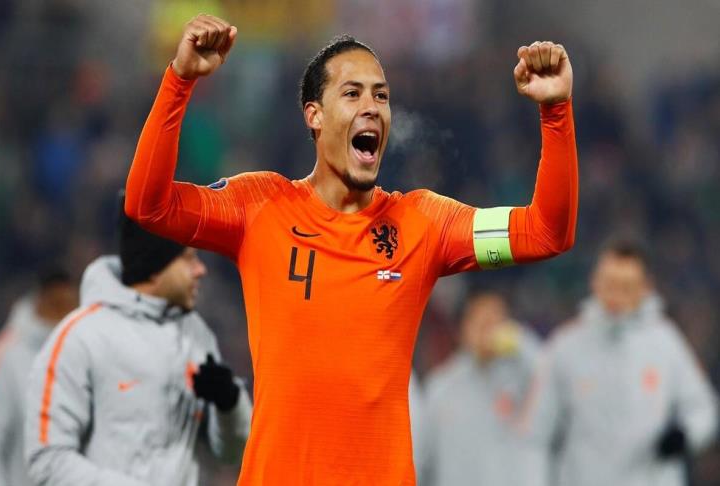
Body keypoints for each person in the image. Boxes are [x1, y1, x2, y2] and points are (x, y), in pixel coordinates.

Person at [124, 14, 578, 485]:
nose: (372, 107)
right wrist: (179, 81)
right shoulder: (260, 207)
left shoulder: (423, 224)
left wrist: (556, 112)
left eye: (381, 96)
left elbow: (546, 232)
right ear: (314, 115)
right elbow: (148, 206)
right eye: (352, 93)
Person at [24, 202, 252, 486]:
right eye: (189, 259)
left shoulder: (196, 335)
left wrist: (229, 405)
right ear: (155, 268)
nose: (200, 269)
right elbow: (47, 461)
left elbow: (232, 453)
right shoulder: (79, 338)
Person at [522, 239, 719, 486]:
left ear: (645, 288)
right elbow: (535, 431)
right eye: (610, 284)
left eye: (626, 287)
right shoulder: (566, 346)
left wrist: (684, 436)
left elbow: (703, 408)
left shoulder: (665, 342)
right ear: (594, 282)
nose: (615, 295)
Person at [419, 290, 541, 486]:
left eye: (496, 321)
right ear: (461, 329)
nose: (488, 330)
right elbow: (422, 460)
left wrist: (518, 340)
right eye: (480, 322)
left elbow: (550, 379)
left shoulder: (521, 379)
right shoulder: (440, 388)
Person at [0, 267, 77, 486]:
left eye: (68, 304)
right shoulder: (9, 357)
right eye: (55, 304)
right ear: (41, 300)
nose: (62, 311)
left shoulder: (87, 353)